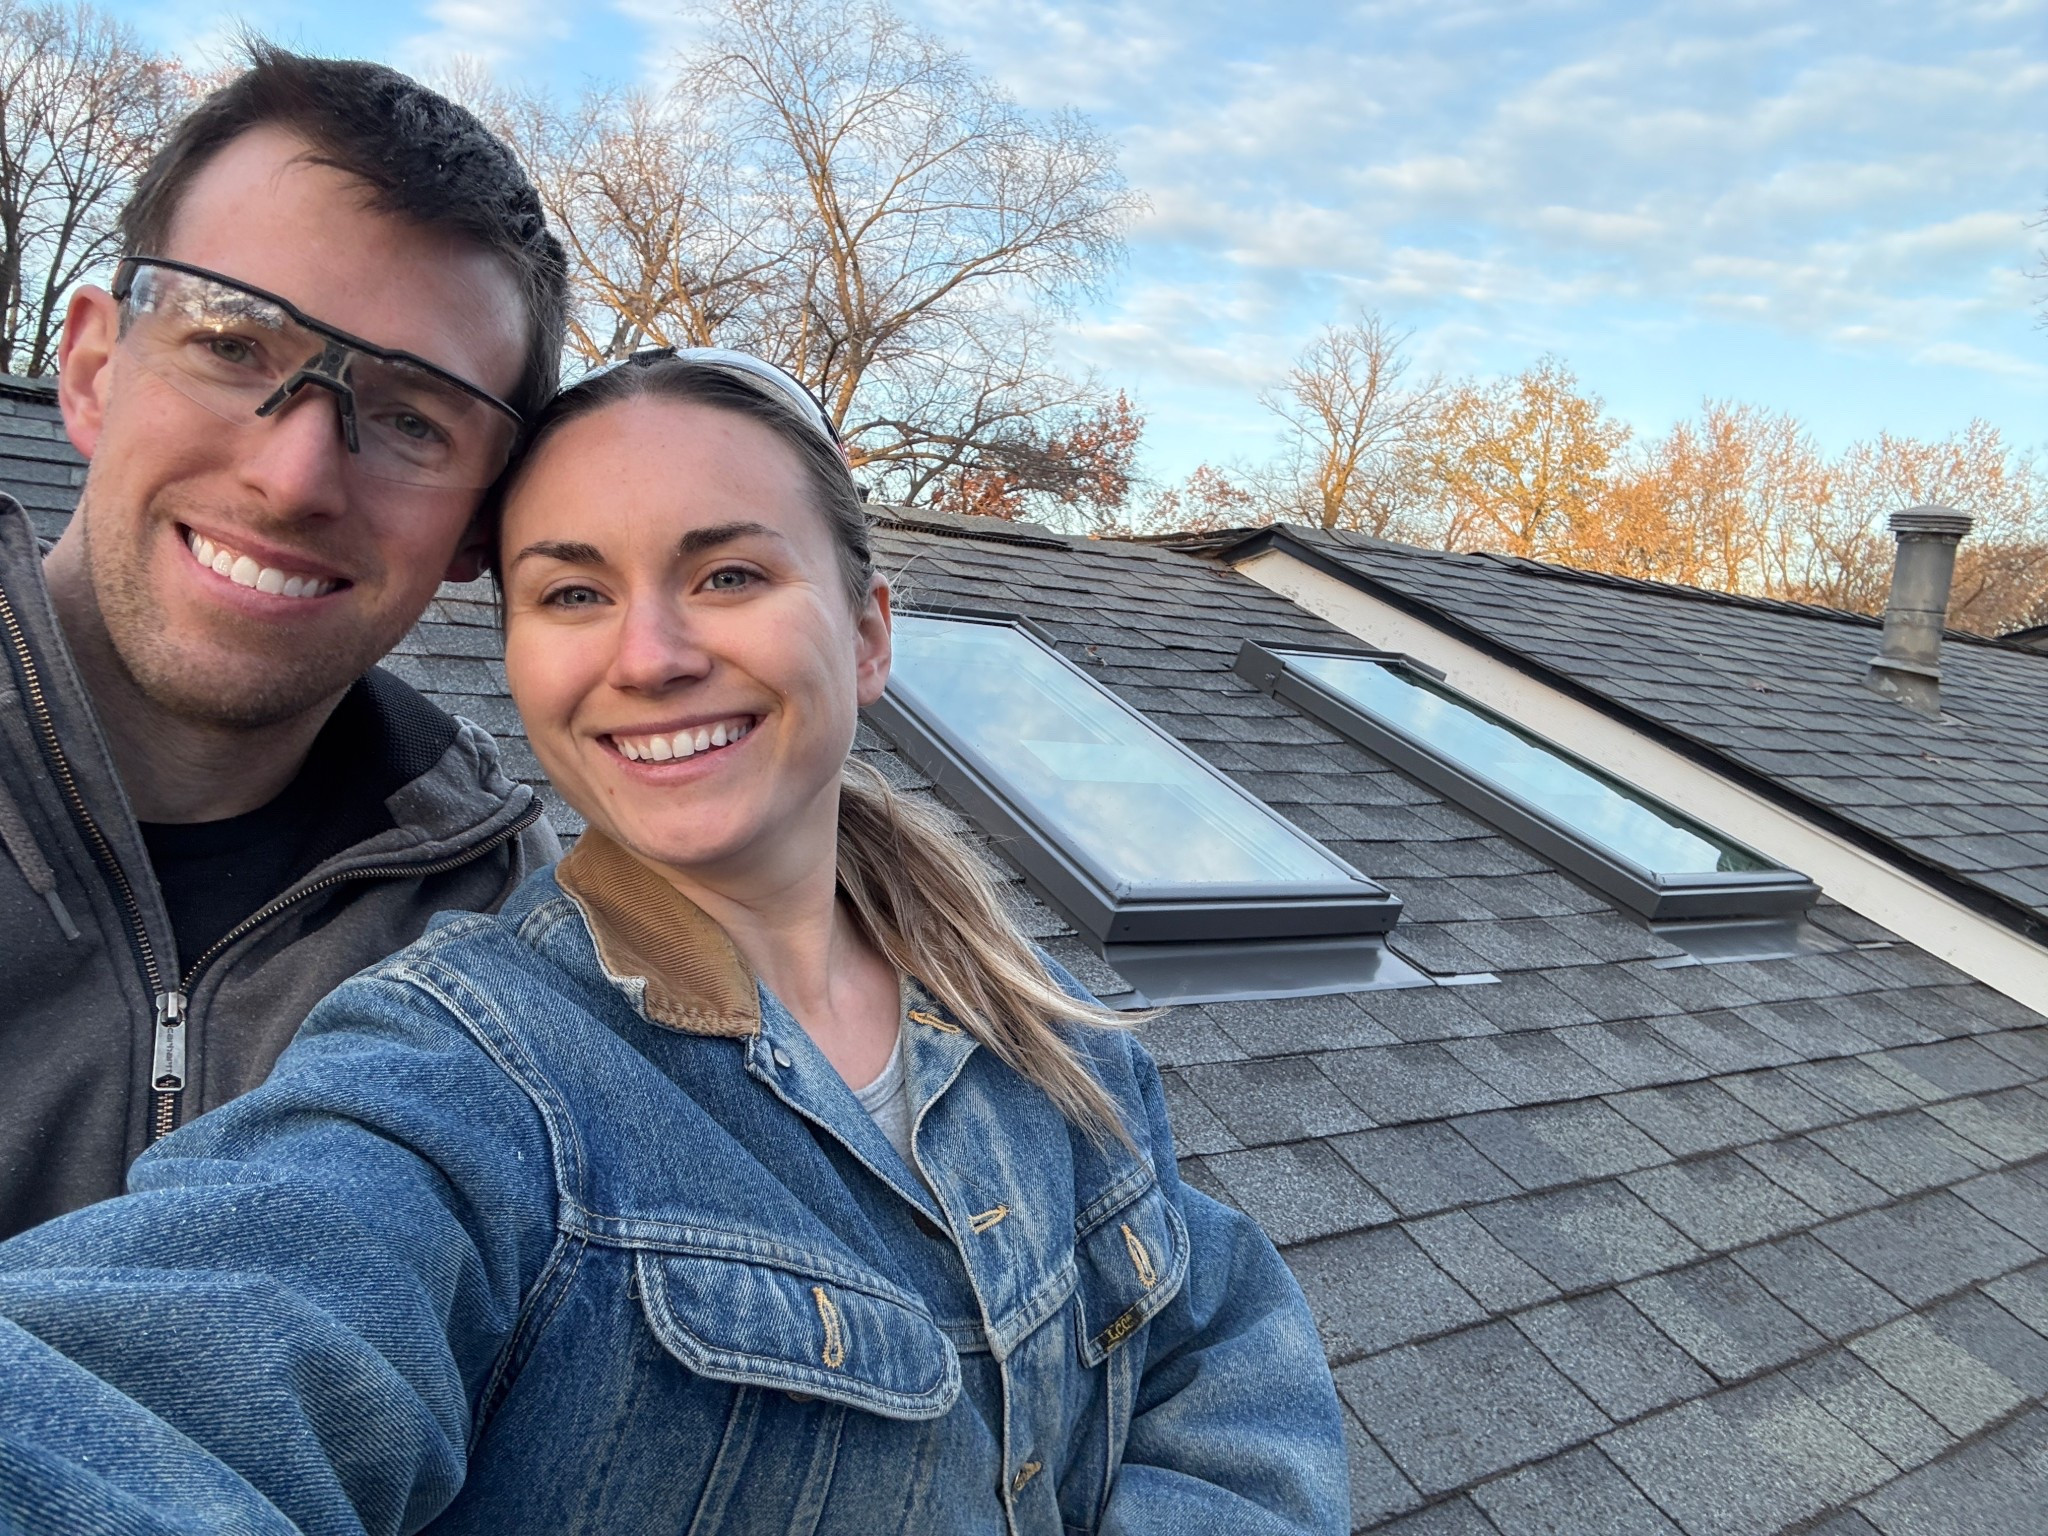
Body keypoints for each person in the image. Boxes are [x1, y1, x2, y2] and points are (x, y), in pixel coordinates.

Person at [0, 352, 1349, 1534]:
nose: (648, 656)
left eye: (728, 574)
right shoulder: (465, 1081)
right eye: (572, 594)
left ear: (868, 632)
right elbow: (144, 1381)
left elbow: (1217, 1345)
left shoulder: (1031, 1019)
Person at [0, 46, 569, 1239]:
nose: (295, 476)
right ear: (92, 369)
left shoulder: (501, 918)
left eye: (411, 418)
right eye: (231, 346)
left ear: (478, 528)